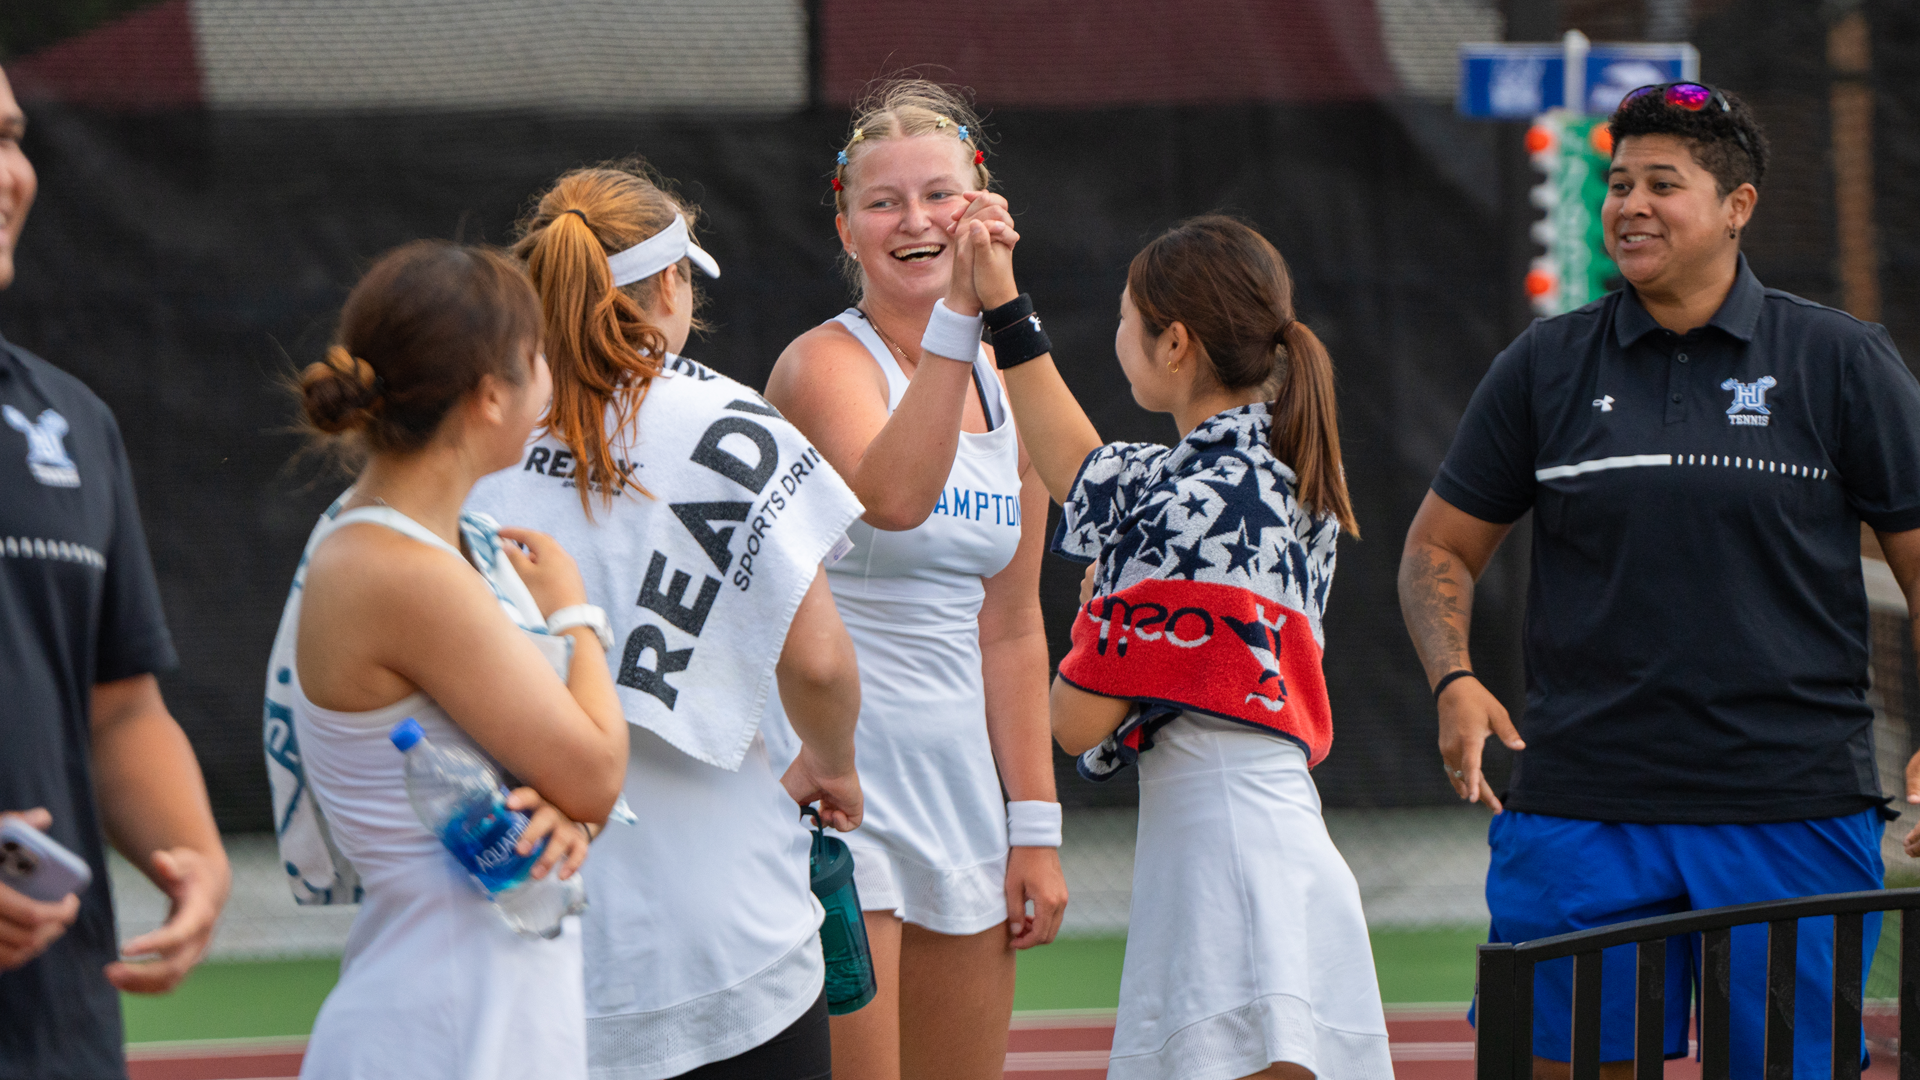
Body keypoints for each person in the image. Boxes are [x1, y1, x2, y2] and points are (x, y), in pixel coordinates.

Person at [1397, 83, 1920, 1078]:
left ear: (1739, 205)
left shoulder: (1840, 362)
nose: (1630, 204)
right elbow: (1436, 549)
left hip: (1790, 811)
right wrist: (1452, 678)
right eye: (1619, 181)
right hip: (1581, 809)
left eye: (1663, 184)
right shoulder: (1543, 365)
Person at [465, 162, 866, 1080]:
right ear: (673, 282)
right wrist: (833, 763)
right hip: (729, 949)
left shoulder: (474, 432)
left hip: (524, 932)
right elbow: (820, 665)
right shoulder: (736, 425)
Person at [972, 211, 1392, 1078]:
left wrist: (1099, 608)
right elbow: (1080, 468)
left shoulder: (1180, 506)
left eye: (1126, 319)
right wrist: (1002, 305)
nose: (1116, 334)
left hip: (1221, 851)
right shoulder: (1276, 470)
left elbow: (1075, 720)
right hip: (1273, 834)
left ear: (1174, 344)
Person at [760, 79, 1068, 1080]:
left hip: (962, 800)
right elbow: (893, 495)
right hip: (837, 796)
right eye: (883, 202)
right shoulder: (820, 367)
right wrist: (968, 317)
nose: (915, 222)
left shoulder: (1008, 385)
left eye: (940, 195)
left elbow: (1014, 627)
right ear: (846, 229)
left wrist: (1034, 829)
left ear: (981, 206)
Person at [274, 240, 629, 1079]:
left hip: (483, 1003)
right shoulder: (399, 571)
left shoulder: (435, 546)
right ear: (492, 394)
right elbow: (599, 769)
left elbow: (569, 788)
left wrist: (566, 816)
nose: (551, 371)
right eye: (537, 354)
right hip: (441, 1027)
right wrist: (576, 616)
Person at [0, 63, 232, 1080]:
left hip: (60, 1036)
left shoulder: (68, 422)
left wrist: (199, 860)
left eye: (12, 139)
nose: (7, 172)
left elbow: (119, 709)